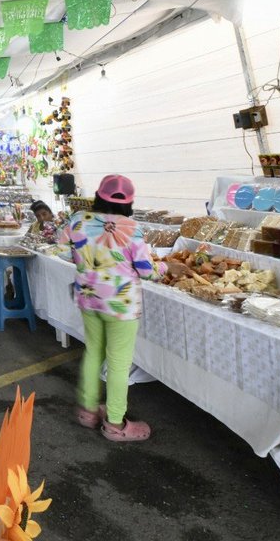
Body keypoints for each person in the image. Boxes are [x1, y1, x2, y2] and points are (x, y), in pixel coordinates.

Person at [67, 174, 188, 443]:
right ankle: (114, 423)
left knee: (93, 353)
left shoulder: (77, 219)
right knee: (119, 364)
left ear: (98, 196)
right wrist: (168, 267)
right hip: (120, 305)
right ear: (129, 203)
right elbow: (146, 271)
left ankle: (88, 411)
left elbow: (71, 255)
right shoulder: (131, 228)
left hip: (88, 297)